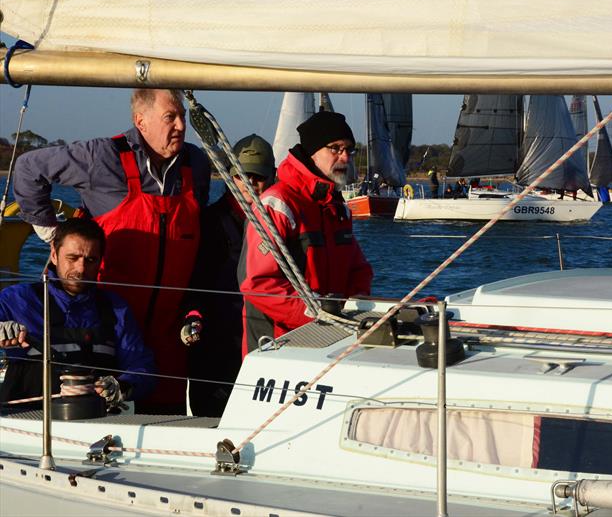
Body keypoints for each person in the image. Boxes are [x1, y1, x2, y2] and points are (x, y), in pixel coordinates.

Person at [12, 89, 210, 414]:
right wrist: (53, 235)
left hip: (168, 332)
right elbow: (28, 168)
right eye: (169, 117)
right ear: (140, 121)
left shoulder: (196, 165)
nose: (180, 126)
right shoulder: (101, 156)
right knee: (103, 418)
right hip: (109, 326)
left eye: (182, 117)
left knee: (166, 422)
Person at [238, 111, 373, 356]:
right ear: (313, 151)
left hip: (334, 339)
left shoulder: (337, 207)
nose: (345, 157)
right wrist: (315, 314)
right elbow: (258, 284)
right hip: (281, 345)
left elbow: (359, 269)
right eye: (335, 148)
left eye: (349, 150)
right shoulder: (278, 204)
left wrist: (355, 307)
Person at [0, 218, 155, 408]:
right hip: (25, 421)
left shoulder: (115, 308)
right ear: (54, 255)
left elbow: (141, 364)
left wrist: (123, 385)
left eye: (90, 260)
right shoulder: (17, 299)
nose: (81, 269)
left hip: (96, 421)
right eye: (72, 258)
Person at [183, 134, 275, 417]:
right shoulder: (208, 223)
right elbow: (193, 280)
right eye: (242, 176)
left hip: (264, 343)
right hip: (216, 345)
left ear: (271, 179)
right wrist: (192, 315)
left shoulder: (281, 224)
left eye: (258, 177)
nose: (250, 184)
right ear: (229, 177)